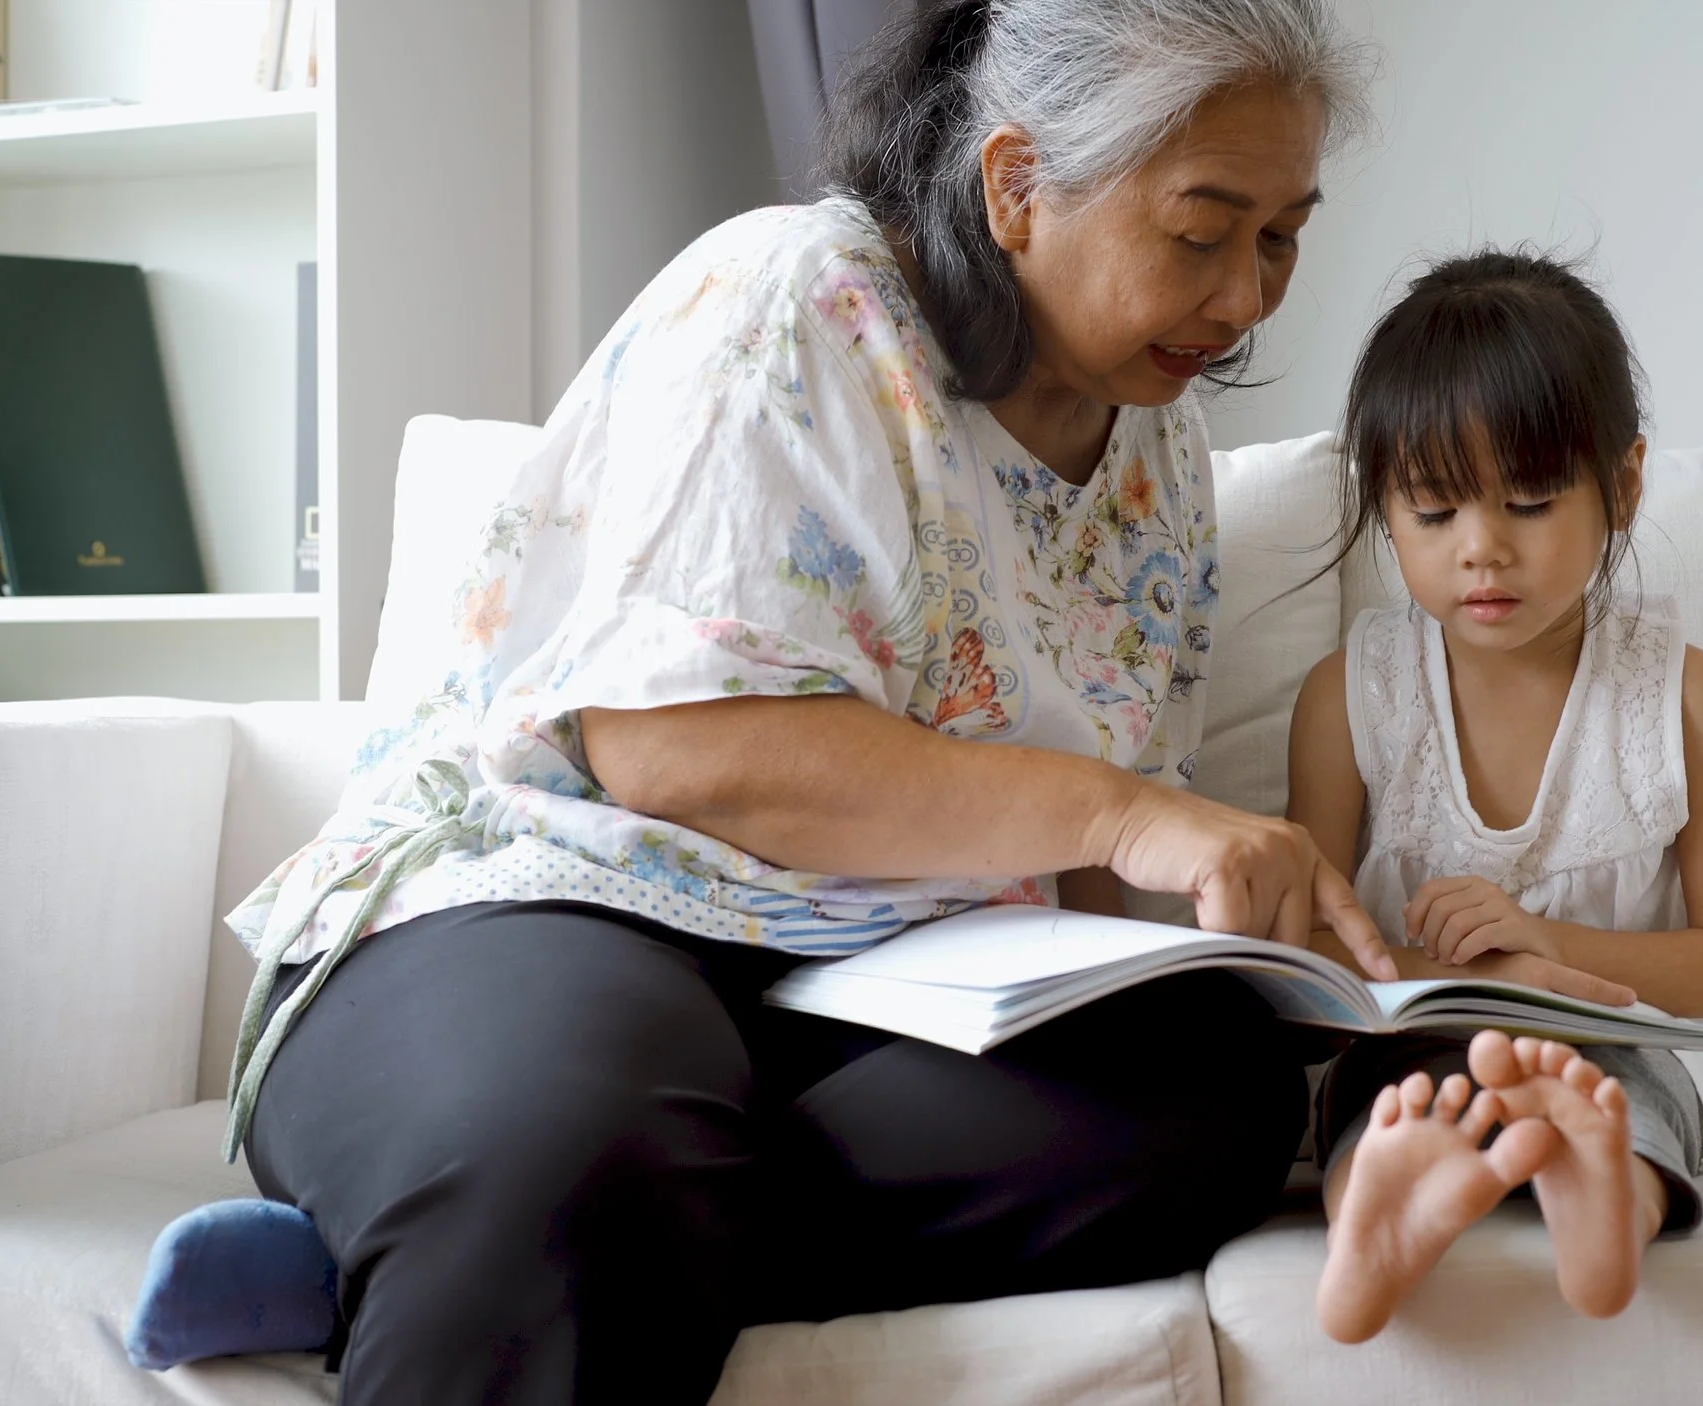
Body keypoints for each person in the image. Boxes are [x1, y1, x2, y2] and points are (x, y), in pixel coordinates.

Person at [215, 2, 1389, 1401]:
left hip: (863, 978)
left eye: (1282, 236)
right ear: (1016, 185)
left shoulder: (1162, 456)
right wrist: (1136, 814)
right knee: (586, 1134)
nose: (1250, 298)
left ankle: (426, 1243)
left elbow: (1080, 848)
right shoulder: (800, 295)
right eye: (1204, 232)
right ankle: (513, 1201)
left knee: (1211, 1095)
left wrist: (1271, 979)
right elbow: (667, 747)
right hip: (563, 893)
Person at [1283, 250, 1703, 1343]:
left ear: (1625, 484)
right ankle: (1375, 1208)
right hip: (1424, 1028)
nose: (1482, 549)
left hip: (1635, 1034)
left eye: (1531, 501)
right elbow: (1313, 960)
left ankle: (1607, 1192)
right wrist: (1469, 973)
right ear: (1385, 509)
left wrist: (1547, 948)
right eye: (1433, 511)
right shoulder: (1349, 698)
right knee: (1387, 1092)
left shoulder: (1681, 697)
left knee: (1618, 1086)